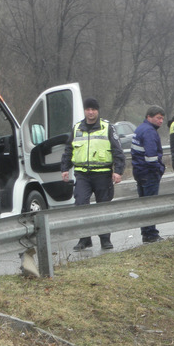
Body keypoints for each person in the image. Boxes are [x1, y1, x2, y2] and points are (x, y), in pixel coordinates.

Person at [61, 97, 125, 251]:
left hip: (102, 174)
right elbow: (69, 150)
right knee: (81, 205)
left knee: (102, 207)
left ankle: (105, 239)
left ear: (97, 111)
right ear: (84, 110)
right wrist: (64, 168)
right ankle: (84, 239)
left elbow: (118, 151)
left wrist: (118, 171)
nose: (90, 112)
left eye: (93, 109)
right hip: (82, 174)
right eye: (88, 109)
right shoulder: (77, 128)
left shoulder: (107, 127)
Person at [131, 105, 167, 243]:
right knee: (151, 204)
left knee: (144, 204)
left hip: (139, 171)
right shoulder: (149, 132)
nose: (161, 121)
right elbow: (151, 156)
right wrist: (159, 169)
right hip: (149, 173)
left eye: (162, 119)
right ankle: (151, 234)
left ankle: (146, 233)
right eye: (158, 118)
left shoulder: (140, 128)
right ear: (149, 117)